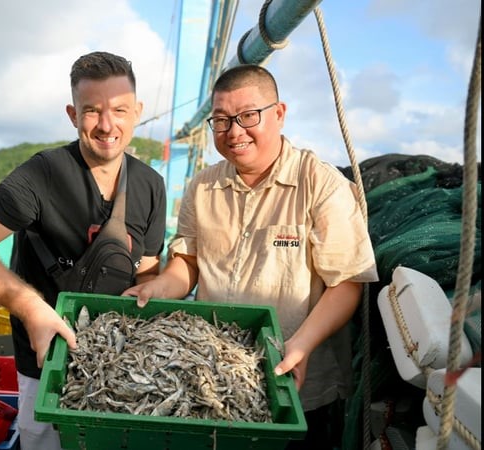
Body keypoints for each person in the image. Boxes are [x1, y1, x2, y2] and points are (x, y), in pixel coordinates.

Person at [123, 64, 378, 449]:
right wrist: (157, 287)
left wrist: (302, 344)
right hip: (210, 381)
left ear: (279, 113)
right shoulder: (203, 186)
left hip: (295, 387)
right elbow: (188, 264)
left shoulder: (321, 184)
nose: (235, 132)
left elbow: (347, 284)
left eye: (248, 116)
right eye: (222, 121)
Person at [0, 51, 167, 450]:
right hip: (47, 364)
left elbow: (148, 271)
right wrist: (30, 308)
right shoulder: (41, 174)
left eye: (119, 109)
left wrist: (155, 295)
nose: (107, 124)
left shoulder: (151, 185)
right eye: (92, 110)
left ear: (138, 111)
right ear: (72, 113)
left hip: (122, 365)